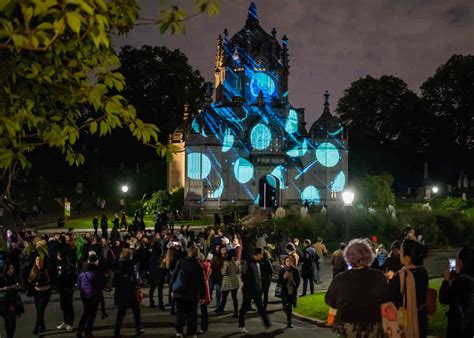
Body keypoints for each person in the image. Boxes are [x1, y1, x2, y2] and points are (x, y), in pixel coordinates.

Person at [325, 238, 389, 337]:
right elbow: (387, 298)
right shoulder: (379, 276)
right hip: (373, 326)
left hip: (349, 326)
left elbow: (330, 300)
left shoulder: (341, 278)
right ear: (368, 256)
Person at [389, 239, 429, 338]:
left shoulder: (402, 275)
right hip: (421, 318)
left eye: (401, 251)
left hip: (406, 319)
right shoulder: (423, 271)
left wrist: (392, 279)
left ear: (408, 258)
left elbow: (391, 296)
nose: (399, 253)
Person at [439, 247, 474, 338]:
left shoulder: (460, 282)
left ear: (461, 262)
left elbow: (443, 298)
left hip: (458, 328)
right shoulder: (468, 279)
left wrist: (446, 281)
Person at [171, 246, 205, 338]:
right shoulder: (197, 266)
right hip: (192, 293)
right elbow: (201, 282)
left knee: (180, 312)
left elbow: (173, 276)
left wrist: (172, 289)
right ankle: (192, 332)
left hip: (180, 291)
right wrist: (202, 295)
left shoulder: (180, 262)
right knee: (192, 313)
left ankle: (179, 332)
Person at [238, 248, 271, 333]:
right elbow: (243, 276)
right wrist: (251, 285)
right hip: (248, 290)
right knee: (244, 308)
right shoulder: (247, 262)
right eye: (261, 254)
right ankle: (241, 326)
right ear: (256, 254)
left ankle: (267, 323)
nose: (262, 256)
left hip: (256, 289)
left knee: (260, 307)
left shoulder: (258, 263)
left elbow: (258, 276)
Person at [113, 248, 143, 337]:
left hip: (120, 291)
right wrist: (138, 282)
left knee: (121, 313)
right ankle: (138, 330)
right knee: (136, 312)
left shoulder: (117, 265)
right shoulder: (132, 265)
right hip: (131, 291)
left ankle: (116, 332)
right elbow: (136, 278)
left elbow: (114, 279)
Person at [76, 253, 101, 338]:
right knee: (92, 313)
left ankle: (79, 331)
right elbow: (99, 284)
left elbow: (79, 284)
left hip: (84, 294)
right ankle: (88, 331)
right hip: (93, 295)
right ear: (95, 261)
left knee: (86, 312)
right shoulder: (96, 271)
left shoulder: (83, 271)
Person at [28, 256, 51, 335]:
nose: (39, 261)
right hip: (37, 293)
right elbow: (30, 279)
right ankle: (42, 326)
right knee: (39, 311)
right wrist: (35, 283)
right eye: (37, 260)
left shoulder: (45, 270)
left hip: (45, 293)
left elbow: (48, 281)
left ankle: (37, 327)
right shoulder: (33, 269)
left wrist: (40, 284)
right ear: (35, 261)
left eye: (40, 260)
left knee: (40, 309)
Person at [0, 263, 23, 338]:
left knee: (13, 320)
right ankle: (8, 335)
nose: (12, 269)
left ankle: (11, 336)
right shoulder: (2, 278)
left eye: (12, 268)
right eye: (10, 268)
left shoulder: (15, 277)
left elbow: (20, 287)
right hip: (5, 300)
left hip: (14, 300)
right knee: (7, 319)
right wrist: (4, 288)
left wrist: (18, 286)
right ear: (7, 269)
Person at [56, 248, 76, 332]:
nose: (57, 256)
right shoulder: (61, 264)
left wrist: (61, 275)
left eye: (58, 255)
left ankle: (70, 323)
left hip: (67, 288)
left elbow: (68, 277)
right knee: (63, 305)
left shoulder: (68, 266)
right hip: (62, 288)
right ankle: (65, 321)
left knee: (68, 305)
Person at [278, 256, 300, 328]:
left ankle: (289, 322)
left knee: (289, 307)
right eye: (287, 261)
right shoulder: (282, 270)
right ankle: (284, 307)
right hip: (284, 292)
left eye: (290, 261)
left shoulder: (295, 270)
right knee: (285, 306)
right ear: (285, 262)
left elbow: (298, 280)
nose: (288, 262)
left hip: (292, 291)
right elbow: (279, 282)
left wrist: (295, 286)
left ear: (292, 262)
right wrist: (284, 278)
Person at [217, 247, 239, 317]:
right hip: (234, 281)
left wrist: (221, 269)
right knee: (234, 298)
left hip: (227, 282)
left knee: (224, 297)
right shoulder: (234, 262)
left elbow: (223, 273)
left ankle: (221, 310)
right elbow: (238, 271)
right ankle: (236, 312)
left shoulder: (226, 262)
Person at [149, 242, 165, 310]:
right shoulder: (160, 258)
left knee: (152, 289)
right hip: (159, 274)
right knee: (159, 290)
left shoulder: (152, 257)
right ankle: (160, 303)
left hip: (152, 274)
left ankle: (151, 302)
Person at [198, 253, 211, 334]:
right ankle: (204, 328)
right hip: (205, 288)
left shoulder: (199, 267)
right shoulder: (207, 266)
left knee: (202, 310)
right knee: (204, 310)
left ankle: (203, 327)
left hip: (200, 289)